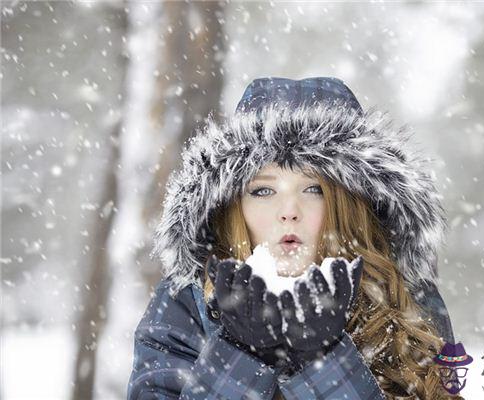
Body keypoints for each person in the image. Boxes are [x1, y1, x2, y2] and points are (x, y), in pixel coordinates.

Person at [127, 77, 463, 399]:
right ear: (232, 205)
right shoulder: (188, 302)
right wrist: (239, 353)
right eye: (264, 190)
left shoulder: (403, 297)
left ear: (350, 206)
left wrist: (323, 361)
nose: (289, 211)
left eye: (314, 188)